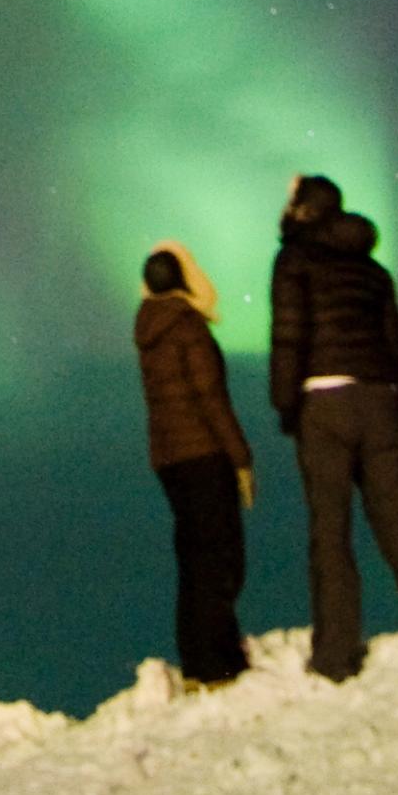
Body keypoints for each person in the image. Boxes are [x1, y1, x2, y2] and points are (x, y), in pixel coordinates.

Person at [268, 173, 398, 678]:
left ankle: (336, 656)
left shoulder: (295, 261)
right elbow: (396, 351)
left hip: (323, 403)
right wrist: (388, 404)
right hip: (378, 402)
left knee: (330, 533)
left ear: (305, 210)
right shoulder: (374, 273)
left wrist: (286, 404)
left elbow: (289, 336)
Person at [133, 239, 255, 684]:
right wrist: (241, 459)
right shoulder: (186, 327)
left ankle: (203, 658)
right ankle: (216, 663)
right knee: (219, 560)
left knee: (195, 559)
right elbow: (211, 400)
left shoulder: (151, 328)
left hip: (170, 459)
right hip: (203, 455)